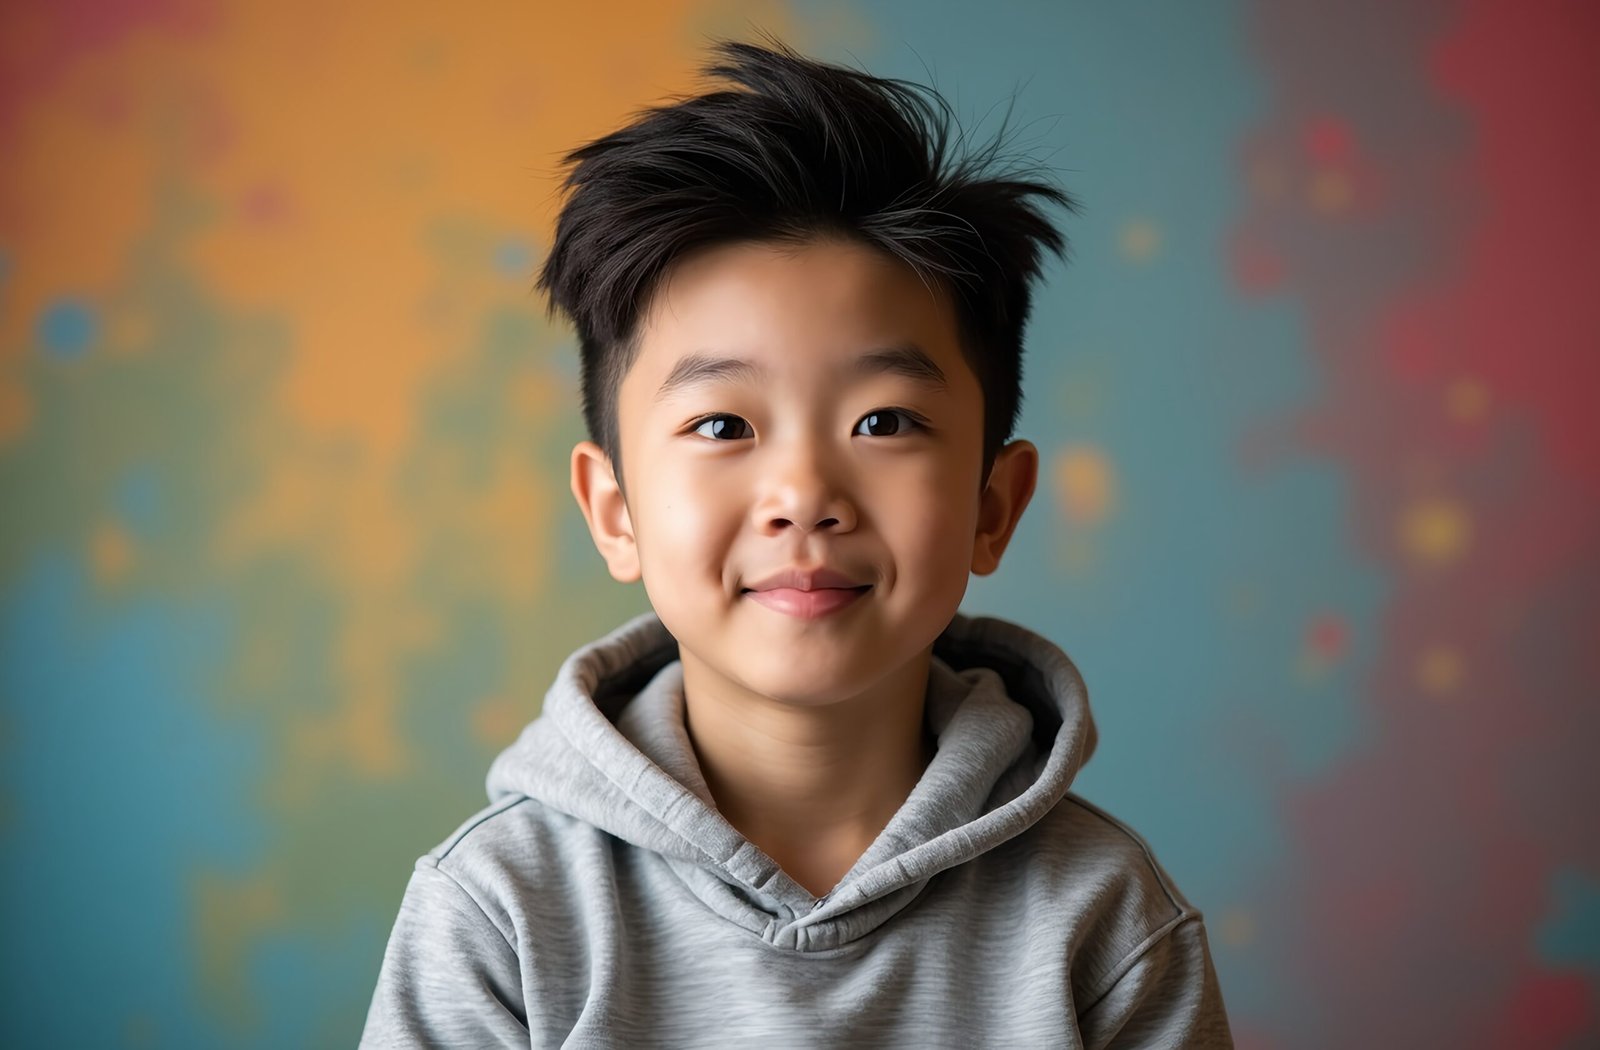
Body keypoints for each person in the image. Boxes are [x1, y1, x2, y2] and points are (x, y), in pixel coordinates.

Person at [360, 33, 1233, 1048]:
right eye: (722, 424)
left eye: (883, 421)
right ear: (614, 511)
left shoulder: (1105, 918)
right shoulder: (498, 913)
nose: (805, 497)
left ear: (993, 506)